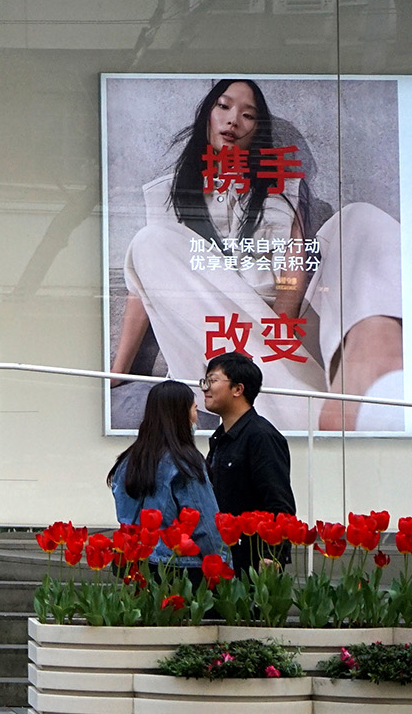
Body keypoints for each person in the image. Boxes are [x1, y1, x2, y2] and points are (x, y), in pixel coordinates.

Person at [113, 77, 403, 431]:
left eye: (248, 115)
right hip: (214, 334)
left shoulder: (283, 188)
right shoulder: (165, 194)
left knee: (357, 219)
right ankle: (298, 402)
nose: (233, 120)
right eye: (224, 106)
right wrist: (118, 371)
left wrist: (280, 334)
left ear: (257, 130)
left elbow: (293, 266)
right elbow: (144, 288)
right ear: (207, 115)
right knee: (149, 242)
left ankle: (371, 376)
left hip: (284, 333)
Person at [107, 380, 225, 567]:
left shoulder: (128, 460)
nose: (196, 417)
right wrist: (222, 564)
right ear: (182, 415)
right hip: (180, 565)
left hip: (136, 560)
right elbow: (206, 523)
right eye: (194, 409)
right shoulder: (185, 463)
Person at [202, 352, 297, 573]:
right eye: (205, 381)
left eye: (212, 380)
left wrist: (272, 555)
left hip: (253, 561)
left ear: (238, 389)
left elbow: (279, 502)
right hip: (224, 556)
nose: (205, 388)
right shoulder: (220, 438)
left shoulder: (261, 436)